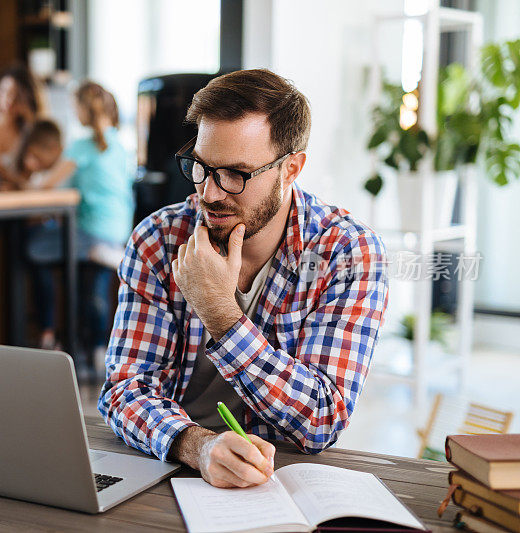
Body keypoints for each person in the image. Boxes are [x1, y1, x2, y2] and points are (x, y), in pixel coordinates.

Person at [98, 69, 389, 489]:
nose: (210, 193)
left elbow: (321, 420)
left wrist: (221, 314)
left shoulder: (346, 253)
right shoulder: (158, 239)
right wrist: (198, 446)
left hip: (280, 476)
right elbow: (125, 388)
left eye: (236, 173)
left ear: (291, 169)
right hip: (169, 461)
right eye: (201, 167)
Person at [26, 81, 134, 369]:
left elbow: (49, 186)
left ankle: (49, 332)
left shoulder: (81, 147)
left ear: (83, 110)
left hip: (90, 228)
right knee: (95, 283)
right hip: (119, 227)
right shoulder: (120, 146)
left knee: (34, 247)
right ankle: (99, 349)